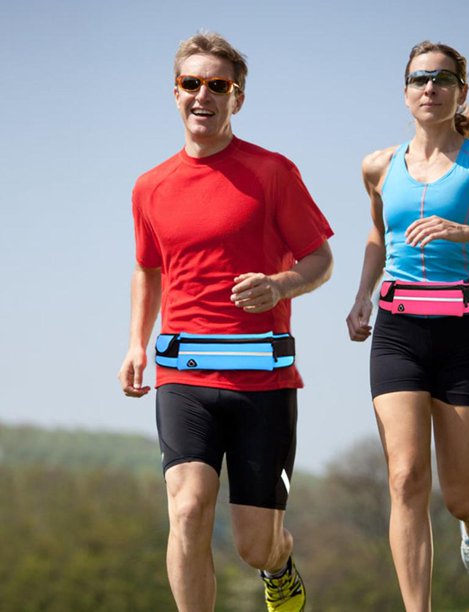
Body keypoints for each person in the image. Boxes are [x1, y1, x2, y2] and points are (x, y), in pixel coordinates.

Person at [118, 31, 333, 612]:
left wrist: (281, 284)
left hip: (262, 378)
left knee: (254, 545)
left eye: (218, 85)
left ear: (237, 97)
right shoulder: (149, 187)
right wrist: (137, 344)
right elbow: (147, 268)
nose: (203, 96)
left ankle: (279, 567)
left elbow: (321, 259)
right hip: (184, 371)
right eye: (192, 84)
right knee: (187, 509)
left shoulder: (271, 172)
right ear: (175, 92)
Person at [346, 41, 469, 611]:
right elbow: (379, 235)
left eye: (441, 78)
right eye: (418, 78)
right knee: (405, 479)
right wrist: (362, 297)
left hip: (464, 333)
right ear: (405, 92)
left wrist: (466, 233)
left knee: (457, 497)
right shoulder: (377, 166)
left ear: (459, 90)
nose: (429, 87)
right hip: (399, 332)